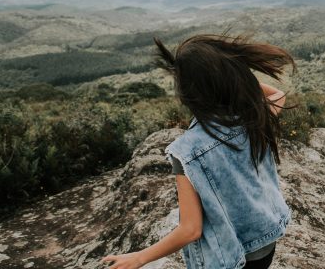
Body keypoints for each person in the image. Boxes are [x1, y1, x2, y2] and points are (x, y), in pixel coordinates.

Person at [101, 33, 296, 269]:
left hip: (234, 256)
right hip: (266, 243)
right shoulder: (251, 120)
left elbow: (190, 229)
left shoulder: (186, 152)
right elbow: (278, 95)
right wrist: (239, 81)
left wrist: (139, 257)